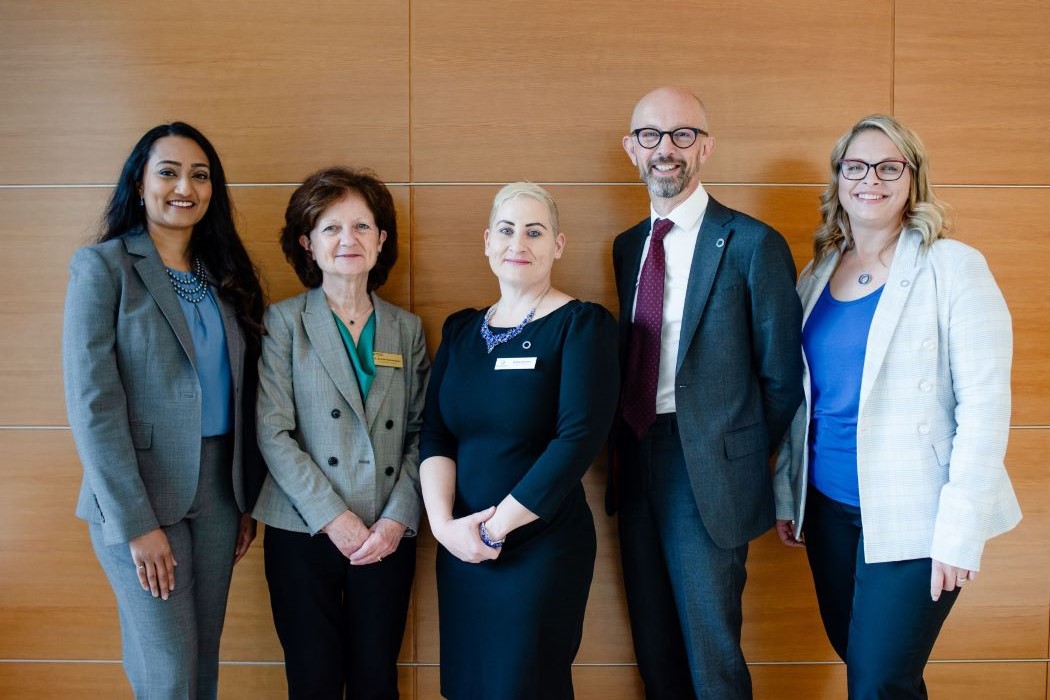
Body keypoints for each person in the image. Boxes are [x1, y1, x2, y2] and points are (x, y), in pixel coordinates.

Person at [773, 115, 1022, 698]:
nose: (871, 180)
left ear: (913, 178)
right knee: (867, 665)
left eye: (889, 167)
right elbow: (800, 400)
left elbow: (985, 406)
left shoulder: (953, 267)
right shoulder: (816, 274)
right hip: (830, 508)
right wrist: (790, 492)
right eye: (856, 167)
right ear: (838, 180)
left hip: (918, 514)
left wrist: (959, 531)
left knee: (879, 679)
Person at [608, 87, 804, 699]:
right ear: (631, 149)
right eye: (651, 135)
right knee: (655, 648)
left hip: (709, 472)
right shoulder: (626, 246)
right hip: (636, 456)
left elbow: (781, 378)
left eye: (683, 134)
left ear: (707, 147)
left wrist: (735, 453)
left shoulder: (752, 244)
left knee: (711, 654)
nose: (666, 149)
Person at [62, 122, 265, 699]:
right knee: (169, 675)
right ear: (140, 182)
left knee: (202, 668)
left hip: (220, 493)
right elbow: (93, 405)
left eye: (199, 176)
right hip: (140, 497)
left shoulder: (223, 275)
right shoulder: (104, 267)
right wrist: (136, 523)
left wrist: (243, 496)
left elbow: (242, 391)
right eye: (168, 172)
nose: (185, 187)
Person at [419, 182, 619, 699]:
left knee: (523, 685)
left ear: (558, 245)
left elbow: (578, 440)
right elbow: (435, 434)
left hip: (539, 546)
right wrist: (445, 529)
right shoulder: (461, 330)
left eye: (535, 232)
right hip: (462, 547)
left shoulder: (582, 325)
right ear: (487, 241)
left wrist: (495, 530)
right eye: (507, 230)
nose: (518, 243)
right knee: (470, 687)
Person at [252, 166, 428, 699]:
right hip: (302, 528)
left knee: (378, 680)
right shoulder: (284, 322)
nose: (347, 240)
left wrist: (397, 519)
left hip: (385, 534)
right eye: (330, 227)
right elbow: (272, 432)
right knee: (313, 681)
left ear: (381, 241)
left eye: (361, 226)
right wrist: (334, 519)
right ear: (307, 243)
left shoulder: (407, 327)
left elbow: (424, 432)